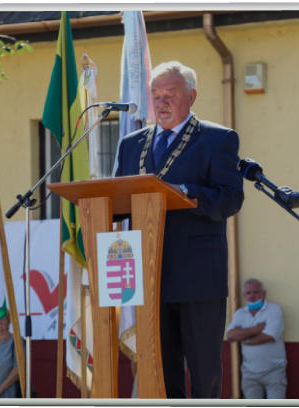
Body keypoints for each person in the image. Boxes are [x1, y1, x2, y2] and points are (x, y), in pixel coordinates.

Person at [115, 61, 244, 398]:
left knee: (204, 373)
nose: (161, 103)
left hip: (198, 277)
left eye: (170, 95)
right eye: (156, 95)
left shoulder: (217, 140)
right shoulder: (131, 144)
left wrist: (186, 191)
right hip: (147, 276)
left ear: (192, 96)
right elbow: (117, 200)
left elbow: (230, 200)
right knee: (161, 373)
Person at [226, 278, 287, 399]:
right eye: (248, 293)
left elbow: (268, 336)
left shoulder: (274, 310)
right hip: (249, 374)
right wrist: (256, 329)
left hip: (274, 371)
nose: (252, 296)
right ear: (244, 295)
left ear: (264, 293)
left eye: (256, 292)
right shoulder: (240, 314)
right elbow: (231, 335)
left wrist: (245, 338)